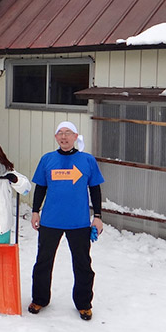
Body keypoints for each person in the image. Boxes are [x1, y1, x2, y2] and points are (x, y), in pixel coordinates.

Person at [29, 121, 104, 321]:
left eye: (68, 133)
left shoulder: (87, 160)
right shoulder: (47, 159)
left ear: (75, 136)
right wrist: (35, 211)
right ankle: (39, 298)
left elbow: (95, 189)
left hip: (78, 222)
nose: (64, 137)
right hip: (51, 220)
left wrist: (97, 216)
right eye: (60, 133)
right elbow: (40, 188)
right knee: (43, 262)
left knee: (82, 264)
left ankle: (84, 304)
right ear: (56, 137)